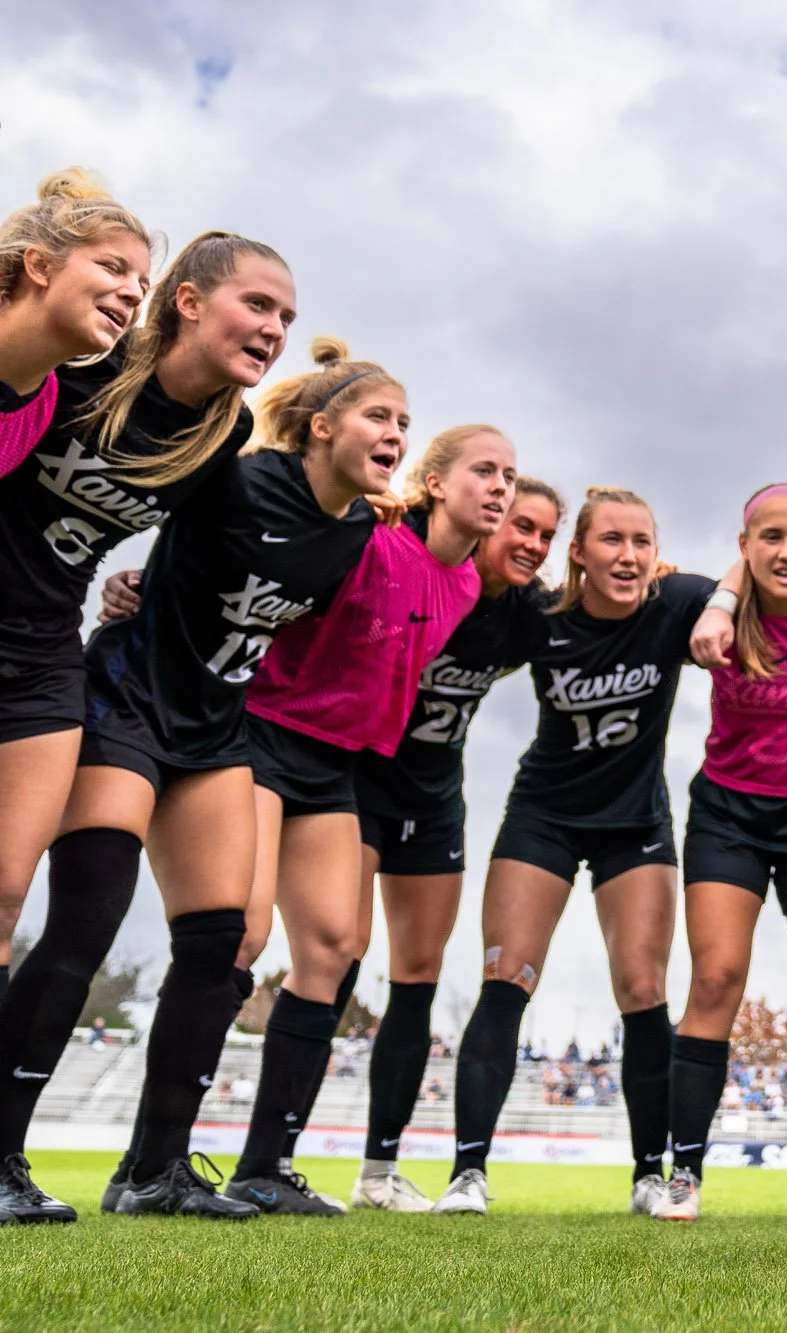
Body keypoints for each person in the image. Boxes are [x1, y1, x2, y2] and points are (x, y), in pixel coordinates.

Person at [0, 232, 297, 1223]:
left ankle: (154, 1172)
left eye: (286, 318)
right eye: (257, 304)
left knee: (217, 936)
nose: (272, 328)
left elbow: (207, 552)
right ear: (185, 301)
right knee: (80, 914)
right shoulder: (77, 368)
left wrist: (140, 586)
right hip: (103, 686)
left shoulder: (224, 432)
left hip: (60, 652)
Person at [81, 337, 392, 1219]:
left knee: (253, 943)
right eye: (379, 415)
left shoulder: (359, 530)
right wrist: (127, 581)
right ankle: (82, 1162)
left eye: (405, 421)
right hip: (141, 704)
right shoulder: (241, 477)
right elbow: (166, 524)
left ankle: (165, 1168)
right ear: (322, 424)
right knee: (103, 917)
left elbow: (261, 614)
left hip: (224, 730)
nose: (396, 431)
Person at [218, 422, 513, 1215]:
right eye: (485, 472)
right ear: (436, 480)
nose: (501, 490)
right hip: (270, 736)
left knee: (336, 947)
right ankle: (156, 1158)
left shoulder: (472, 590)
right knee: (238, 935)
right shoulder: (370, 532)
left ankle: (272, 1165)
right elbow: (271, 564)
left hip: (352, 774)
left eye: (510, 479)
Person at [435, 486, 715, 1219]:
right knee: (505, 976)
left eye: (641, 541)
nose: (627, 555)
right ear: (579, 553)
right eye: (612, 540)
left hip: (636, 824)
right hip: (544, 816)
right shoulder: (541, 613)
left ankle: (648, 1174)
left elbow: (752, 585)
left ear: (657, 553)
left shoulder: (679, 601)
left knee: (643, 989)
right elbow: (460, 607)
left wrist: (723, 601)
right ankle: (468, 1174)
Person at [346, 478, 563, 1211]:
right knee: (337, 952)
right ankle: (266, 1158)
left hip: (436, 795)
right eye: (519, 525)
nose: (532, 543)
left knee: (419, 974)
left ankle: (378, 1174)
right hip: (356, 780)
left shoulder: (527, 616)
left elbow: (593, 624)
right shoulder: (422, 567)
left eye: (546, 534)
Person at [664, 483, 787, 1224]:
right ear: (743, 549)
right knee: (714, 977)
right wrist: (721, 596)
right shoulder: (716, 614)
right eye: (769, 537)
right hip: (728, 812)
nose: (786, 550)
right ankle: (682, 1172)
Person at [0, 170, 151, 482]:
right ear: (41, 265)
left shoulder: (42, 405)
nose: (135, 295)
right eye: (112, 267)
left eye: (143, 287)